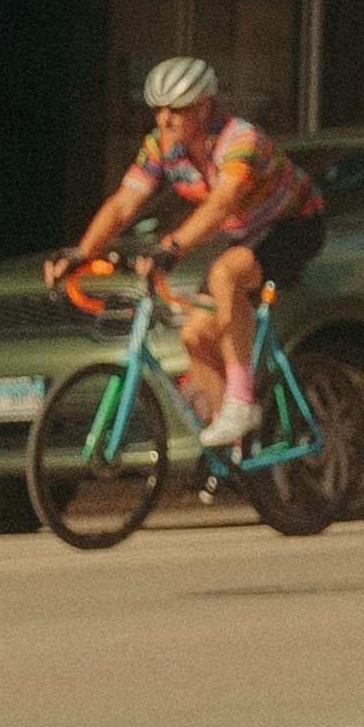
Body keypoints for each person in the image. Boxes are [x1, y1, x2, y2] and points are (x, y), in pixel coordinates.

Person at [61, 58, 322, 444]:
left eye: (176, 110)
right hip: (246, 234)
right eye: (158, 109)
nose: (164, 119)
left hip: (294, 225)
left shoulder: (240, 138)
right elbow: (124, 203)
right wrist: (81, 253)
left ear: (203, 107)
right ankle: (238, 447)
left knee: (225, 275)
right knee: (195, 337)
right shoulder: (162, 146)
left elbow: (221, 203)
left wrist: (172, 246)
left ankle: (240, 403)